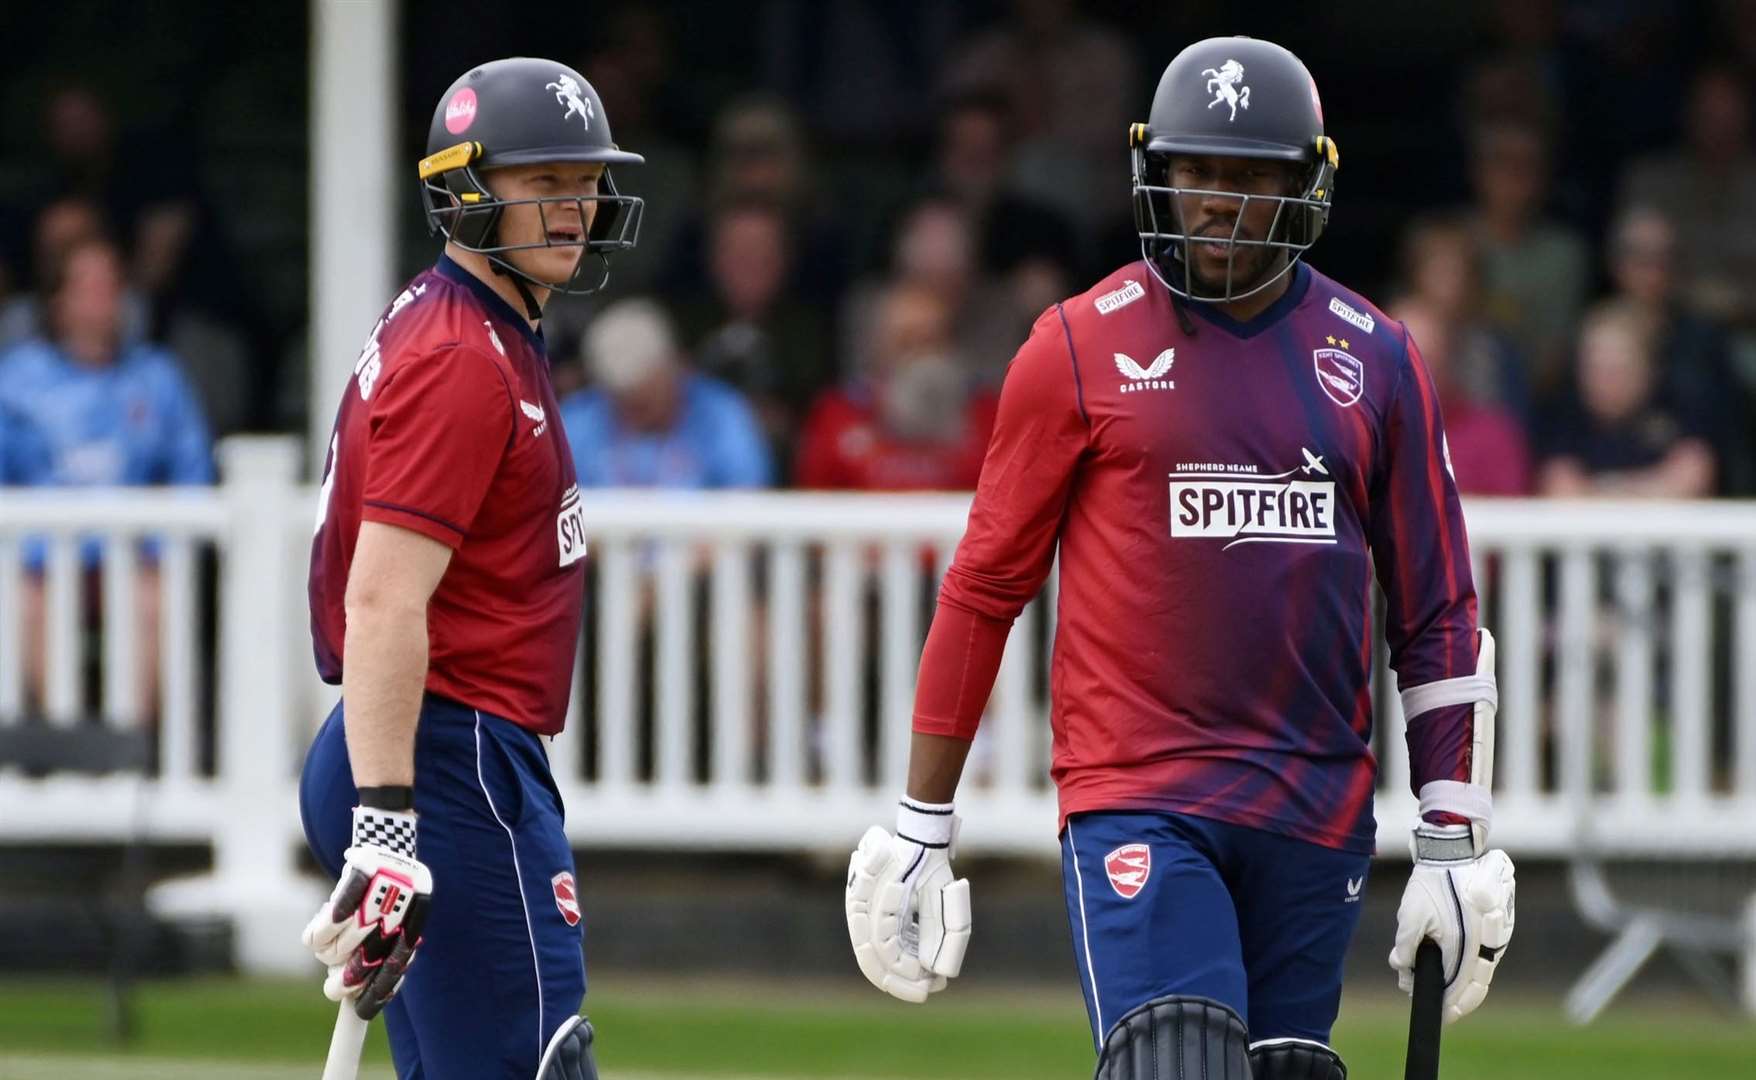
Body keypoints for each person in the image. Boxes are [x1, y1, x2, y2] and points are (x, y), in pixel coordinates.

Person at [842, 37, 1517, 1079]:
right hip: (1140, 794)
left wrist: (1452, 833)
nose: (1217, 202)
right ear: (1154, 168)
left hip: (1315, 806)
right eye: (1197, 171)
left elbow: (1437, 616)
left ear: (1307, 183)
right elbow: (985, 587)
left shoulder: (1375, 355)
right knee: (1179, 1060)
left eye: (1249, 177)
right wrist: (921, 822)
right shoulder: (1073, 345)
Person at [297, 58, 643, 1080]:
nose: (573, 207)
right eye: (543, 184)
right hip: (450, 758)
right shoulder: (461, 358)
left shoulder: (488, 326)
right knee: (538, 1061)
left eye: (582, 182)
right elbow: (384, 596)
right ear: (465, 189)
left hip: (450, 751)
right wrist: (386, 821)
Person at [0, 235, 214, 722]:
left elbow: (193, 469)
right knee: (24, 602)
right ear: (58, 301)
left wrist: (159, 547)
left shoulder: (156, 375)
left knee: (156, 599)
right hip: (41, 560)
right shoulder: (16, 380)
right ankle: (63, 744)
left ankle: (128, 745)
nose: (102, 297)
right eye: (88, 285)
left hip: (136, 556)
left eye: (111, 285)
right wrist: (35, 551)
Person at [560, 298, 772, 490]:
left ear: (674, 365)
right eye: (623, 399)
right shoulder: (575, 422)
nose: (635, 409)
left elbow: (748, 493)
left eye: (645, 399)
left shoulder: (722, 415)